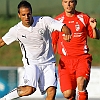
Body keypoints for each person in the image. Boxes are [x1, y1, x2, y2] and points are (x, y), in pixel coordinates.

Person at [0, 1, 72, 100]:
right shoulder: (16, 30)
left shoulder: (44, 21)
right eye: (23, 15)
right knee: (29, 90)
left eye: (28, 14)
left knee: (51, 91)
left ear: (32, 12)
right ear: (19, 15)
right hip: (32, 63)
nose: (26, 17)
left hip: (48, 62)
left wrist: (66, 31)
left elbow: (61, 26)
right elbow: (2, 42)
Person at [51, 0, 100, 100]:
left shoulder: (83, 18)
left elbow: (96, 36)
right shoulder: (57, 21)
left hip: (82, 58)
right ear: (62, 3)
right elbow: (53, 43)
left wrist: (94, 28)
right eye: (65, 2)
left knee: (81, 83)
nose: (68, 5)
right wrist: (50, 62)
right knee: (68, 93)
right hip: (65, 61)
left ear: (75, 3)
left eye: (71, 2)